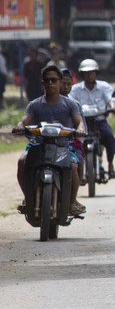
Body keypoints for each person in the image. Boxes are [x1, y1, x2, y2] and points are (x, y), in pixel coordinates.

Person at [13, 65, 87, 216]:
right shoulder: (35, 104)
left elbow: (79, 121)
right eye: (47, 80)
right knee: (22, 161)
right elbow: (24, 120)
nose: (51, 83)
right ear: (43, 83)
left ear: (60, 82)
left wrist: (80, 129)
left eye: (54, 80)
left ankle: (72, 202)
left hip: (63, 146)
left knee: (73, 166)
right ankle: (28, 199)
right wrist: (20, 126)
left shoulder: (70, 104)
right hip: (37, 145)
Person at [69, 59, 115, 179]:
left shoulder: (104, 86)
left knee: (109, 137)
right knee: (71, 142)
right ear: (82, 74)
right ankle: (75, 170)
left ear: (96, 73)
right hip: (82, 122)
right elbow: (70, 102)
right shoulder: (75, 89)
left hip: (99, 120)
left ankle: (111, 166)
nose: (89, 75)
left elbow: (111, 99)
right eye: (86, 73)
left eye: (92, 72)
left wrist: (113, 107)